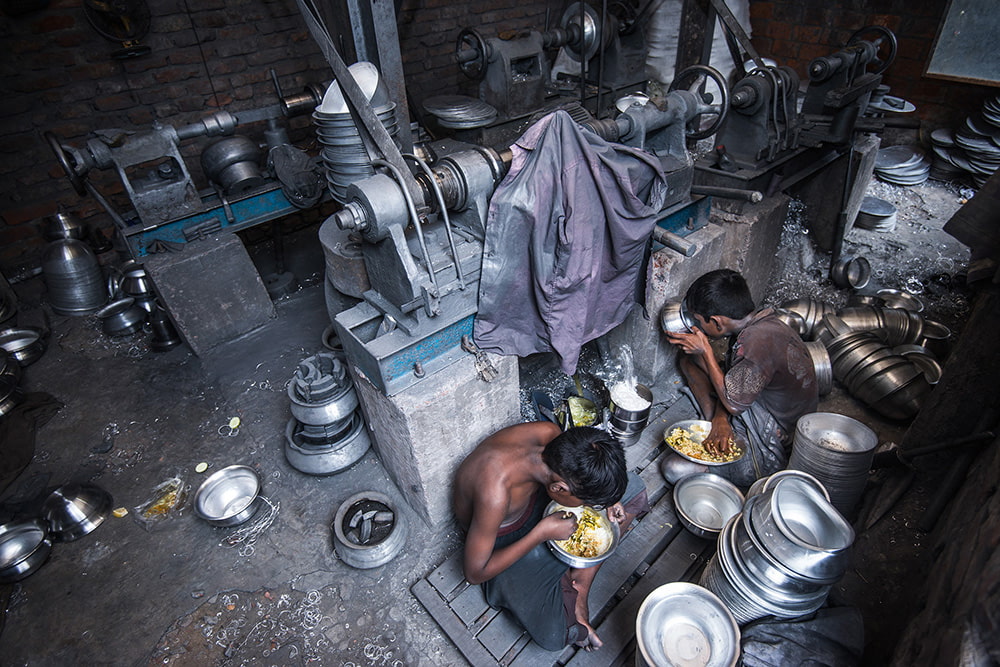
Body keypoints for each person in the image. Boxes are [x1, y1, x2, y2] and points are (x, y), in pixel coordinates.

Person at [452, 422, 649, 651]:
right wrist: (540, 533)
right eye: (586, 503)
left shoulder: (550, 434)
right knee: (555, 635)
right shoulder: (495, 492)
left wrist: (607, 497)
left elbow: (584, 472)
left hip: (539, 503)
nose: (589, 507)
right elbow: (474, 573)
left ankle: (581, 585)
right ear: (559, 490)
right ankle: (569, 583)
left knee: (634, 488)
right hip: (504, 539)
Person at [665, 269, 818, 487]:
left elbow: (734, 403)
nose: (696, 326)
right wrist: (720, 418)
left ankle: (726, 438)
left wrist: (707, 350)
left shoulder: (756, 343)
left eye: (699, 321)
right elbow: (734, 380)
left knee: (674, 468)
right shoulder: (758, 324)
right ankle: (715, 423)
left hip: (772, 437)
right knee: (689, 360)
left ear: (717, 322)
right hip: (750, 401)